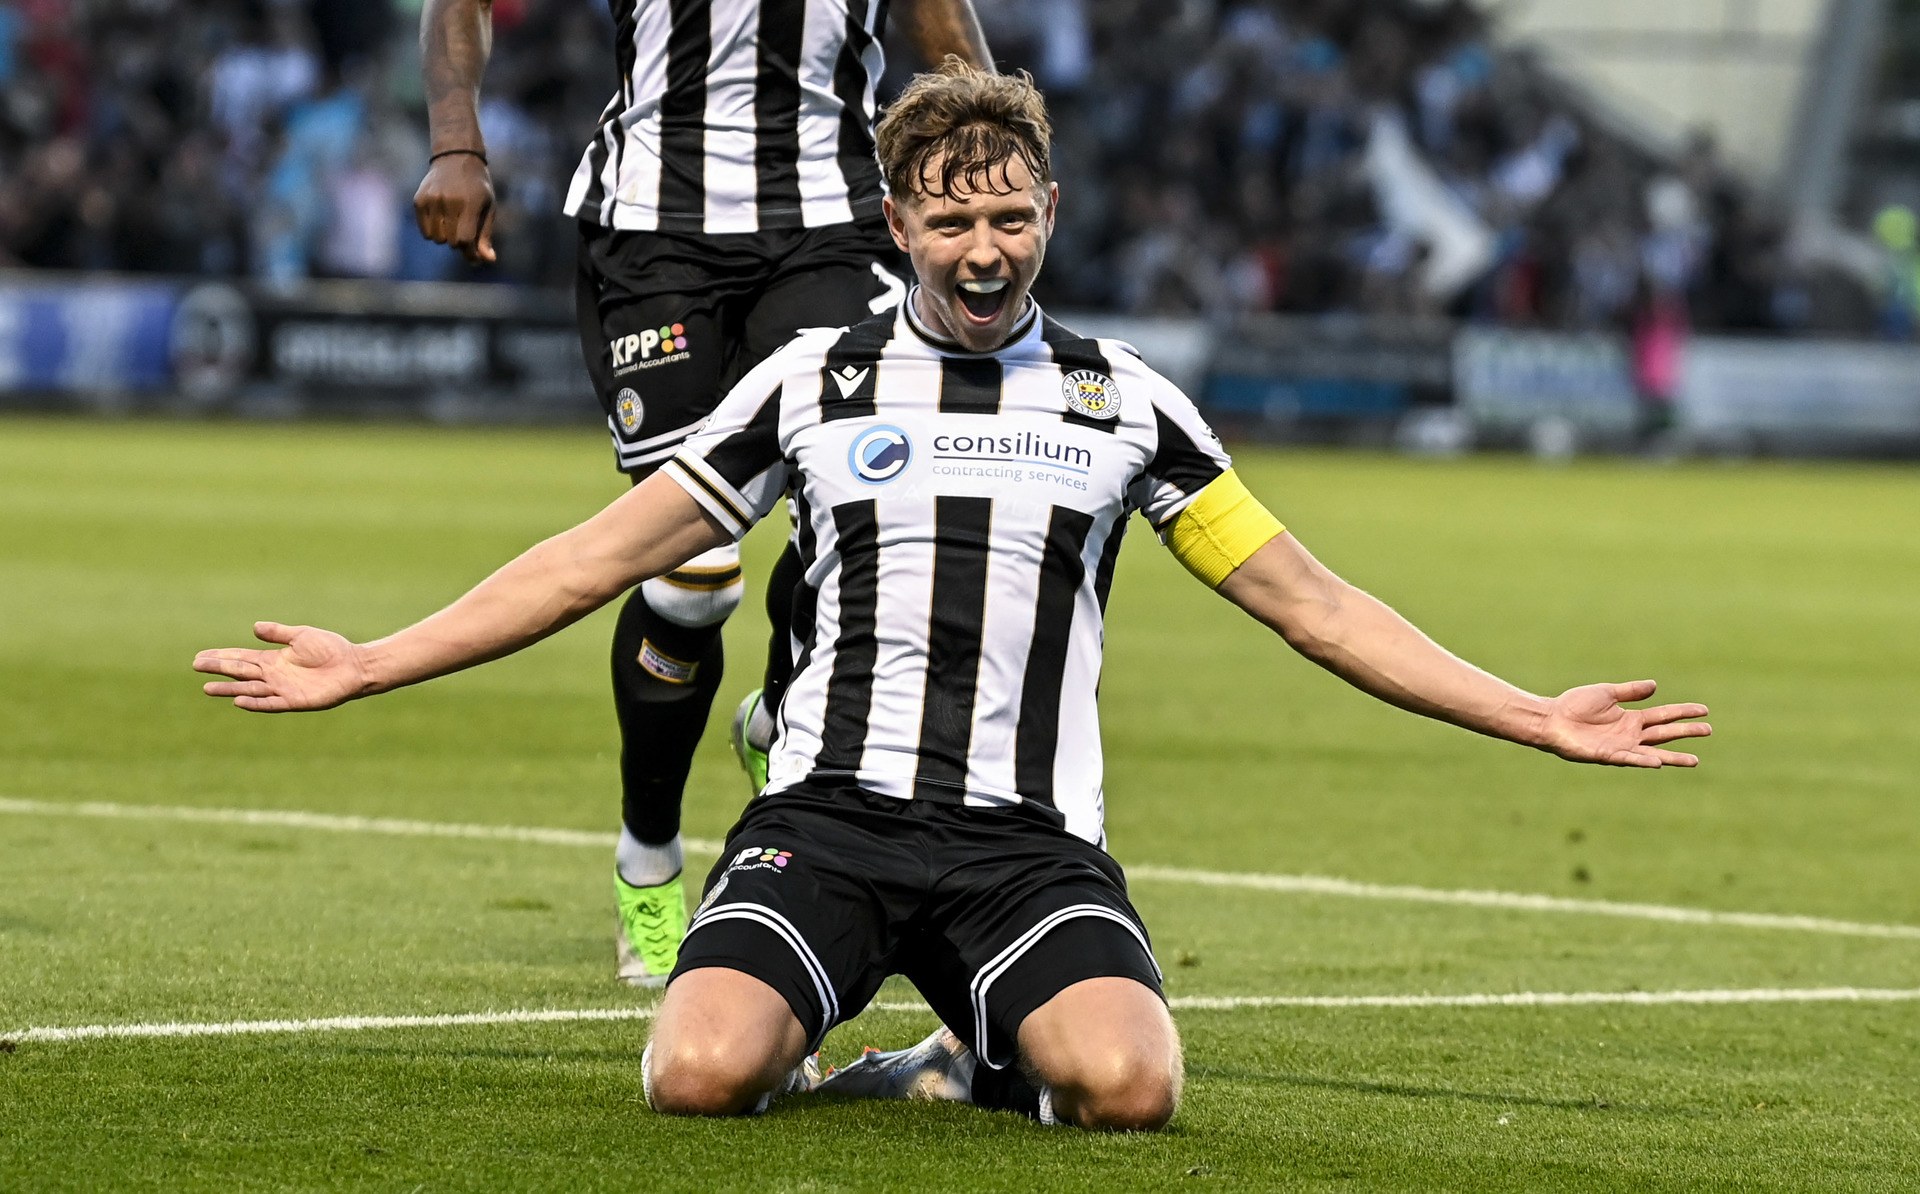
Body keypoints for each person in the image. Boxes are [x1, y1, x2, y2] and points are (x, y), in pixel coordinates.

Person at [199, 63, 1710, 1131]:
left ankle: (956, 1056)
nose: (984, 252)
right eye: (950, 222)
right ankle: (851, 1030)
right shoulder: (819, 377)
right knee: (696, 1076)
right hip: (829, 820)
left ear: (1048, 209)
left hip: (1026, 846)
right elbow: (602, 556)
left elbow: (1311, 601)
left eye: (1011, 220)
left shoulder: (1129, 401)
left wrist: (1533, 714)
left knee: (1133, 1089)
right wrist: (374, 662)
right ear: (897, 220)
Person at [411, 0, 994, 986]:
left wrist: (999, 179)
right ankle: (650, 857)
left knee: (865, 507)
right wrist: (456, 141)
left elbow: (946, 38)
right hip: (654, 237)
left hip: (833, 228)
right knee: (692, 575)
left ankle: (783, 718)